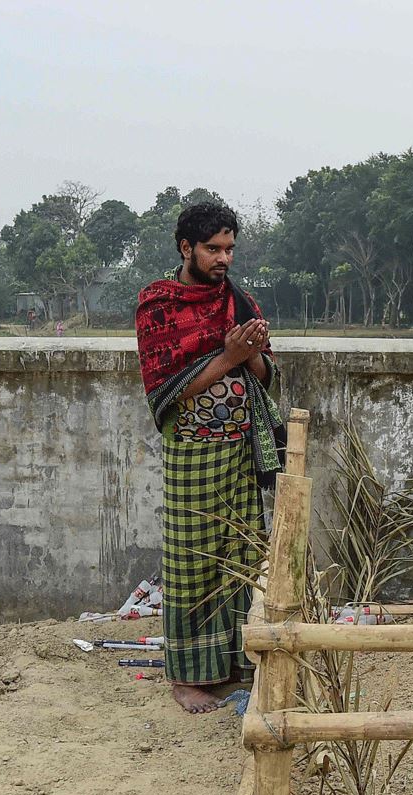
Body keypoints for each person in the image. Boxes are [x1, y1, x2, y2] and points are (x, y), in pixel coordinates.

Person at [134, 203, 282, 713]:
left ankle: (236, 666)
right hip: (193, 454)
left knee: (241, 556)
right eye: (213, 249)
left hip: (239, 451)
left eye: (229, 249)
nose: (223, 258)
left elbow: (265, 378)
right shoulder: (158, 305)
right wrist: (228, 358)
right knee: (193, 560)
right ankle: (188, 678)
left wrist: (254, 353)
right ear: (186, 248)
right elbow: (164, 392)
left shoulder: (241, 303)